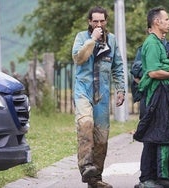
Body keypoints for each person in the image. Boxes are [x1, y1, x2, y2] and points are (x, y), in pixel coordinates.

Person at [133, 7, 169, 188]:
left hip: (164, 95)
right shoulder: (150, 43)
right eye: (166, 19)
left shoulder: (159, 43)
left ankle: (163, 178)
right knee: (153, 135)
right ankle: (147, 179)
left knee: (164, 133)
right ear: (156, 22)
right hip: (155, 96)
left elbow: (161, 63)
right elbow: (153, 72)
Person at [72, 6, 125, 188]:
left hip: (102, 94)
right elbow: (78, 58)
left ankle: (95, 179)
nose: (99, 24)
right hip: (83, 90)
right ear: (90, 22)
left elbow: (117, 66)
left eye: (102, 21)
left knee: (101, 138)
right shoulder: (81, 37)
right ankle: (86, 166)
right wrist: (92, 40)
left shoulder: (112, 41)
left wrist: (120, 89)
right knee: (85, 123)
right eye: (95, 21)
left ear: (106, 21)